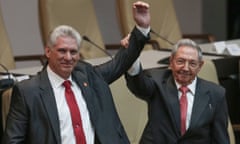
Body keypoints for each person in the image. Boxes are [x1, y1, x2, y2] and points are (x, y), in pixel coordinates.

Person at [3, 1, 151, 144]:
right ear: (48, 51)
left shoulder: (89, 76)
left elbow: (119, 63)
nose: (68, 57)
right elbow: (13, 140)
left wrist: (141, 28)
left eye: (73, 52)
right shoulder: (28, 92)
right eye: (62, 51)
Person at [124, 38, 230, 143]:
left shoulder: (216, 94)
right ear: (171, 62)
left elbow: (220, 138)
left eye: (192, 63)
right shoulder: (157, 82)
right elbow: (138, 86)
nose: (185, 68)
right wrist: (132, 57)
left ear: (200, 66)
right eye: (180, 61)